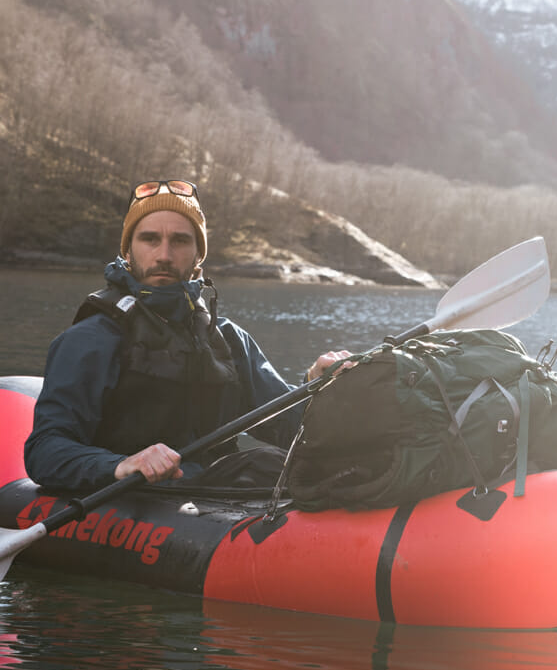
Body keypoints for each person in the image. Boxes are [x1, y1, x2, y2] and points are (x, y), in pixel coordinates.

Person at [24, 180, 351, 492]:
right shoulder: (92, 339)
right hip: (130, 498)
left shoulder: (227, 339)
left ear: (198, 256)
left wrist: (318, 386)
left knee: (269, 464)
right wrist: (121, 465)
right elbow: (45, 451)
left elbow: (290, 429)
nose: (164, 254)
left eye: (180, 241)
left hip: (212, 497)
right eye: (150, 239)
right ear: (128, 251)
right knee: (262, 464)